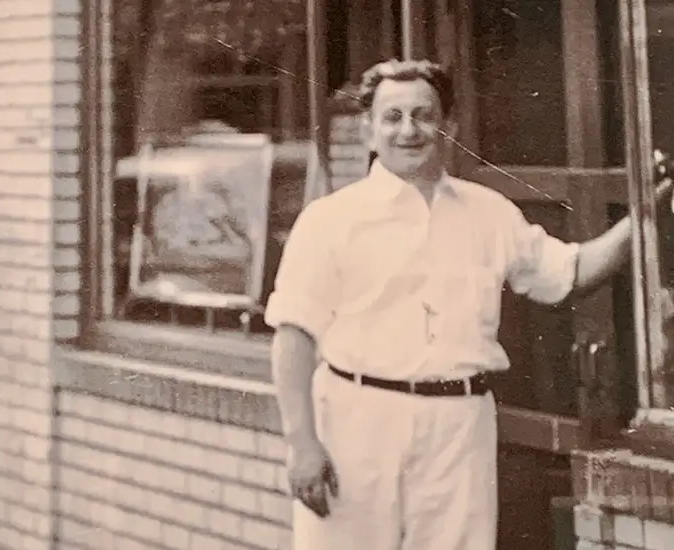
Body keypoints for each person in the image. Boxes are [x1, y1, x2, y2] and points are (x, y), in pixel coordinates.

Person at [264, 59, 668, 550]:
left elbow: (572, 273)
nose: (408, 130)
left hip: (458, 430)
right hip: (356, 424)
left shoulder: (488, 212)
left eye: (423, 115)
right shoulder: (329, 221)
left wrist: (644, 215)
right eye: (392, 117)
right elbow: (293, 336)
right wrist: (301, 444)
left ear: (449, 127)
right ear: (368, 129)